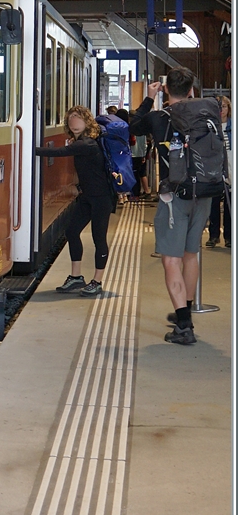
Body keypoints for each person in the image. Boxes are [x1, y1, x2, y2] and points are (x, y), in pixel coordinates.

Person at [130, 66, 219, 346]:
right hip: (204, 193)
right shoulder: (207, 114)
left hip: (175, 196)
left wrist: (148, 98)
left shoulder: (158, 117)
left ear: (166, 89)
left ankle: (183, 325)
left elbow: (131, 127)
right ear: (192, 90)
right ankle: (186, 309)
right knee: (191, 254)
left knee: (171, 259)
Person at [36, 105, 116, 297]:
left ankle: (97, 281)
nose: (73, 121)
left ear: (87, 121)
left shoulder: (86, 144)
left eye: (78, 117)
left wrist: (27, 147)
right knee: (71, 232)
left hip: (101, 198)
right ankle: (76, 277)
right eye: (70, 117)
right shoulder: (82, 142)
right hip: (87, 196)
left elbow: (57, 153)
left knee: (99, 238)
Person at [206, 96, 232, 248]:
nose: (221, 110)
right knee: (213, 202)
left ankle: (229, 236)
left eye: (224, 107)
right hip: (214, 168)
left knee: (230, 203)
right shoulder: (210, 127)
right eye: (218, 107)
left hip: (231, 167)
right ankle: (213, 235)